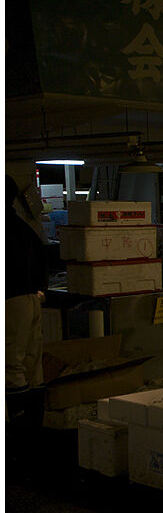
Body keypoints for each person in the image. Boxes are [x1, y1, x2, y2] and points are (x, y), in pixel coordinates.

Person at [6, 175, 48, 428]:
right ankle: (35, 427)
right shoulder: (22, 226)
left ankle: (17, 428)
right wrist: (40, 290)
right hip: (33, 298)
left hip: (11, 300)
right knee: (32, 363)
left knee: (11, 363)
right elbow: (42, 256)